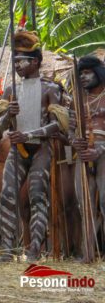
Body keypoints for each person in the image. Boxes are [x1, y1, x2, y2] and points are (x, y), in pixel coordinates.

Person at [0, 31, 68, 262]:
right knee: (7, 195)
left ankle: (34, 251)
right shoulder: (10, 90)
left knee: (37, 195)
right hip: (18, 148)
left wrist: (30, 133)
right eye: (14, 61)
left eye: (20, 61)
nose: (16, 66)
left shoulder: (51, 89)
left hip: (41, 149)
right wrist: (7, 116)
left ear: (35, 61)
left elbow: (58, 126)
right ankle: (7, 250)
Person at [71, 55, 105, 253]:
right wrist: (74, 141)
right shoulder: (76, 100)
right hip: (83, 153)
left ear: (99, 73)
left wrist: (100, 149)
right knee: (85, 204)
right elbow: (70, 129)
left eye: (87, 73)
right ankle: (88, 253)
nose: (83, 77)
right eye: (80, 73)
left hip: (102, 150)